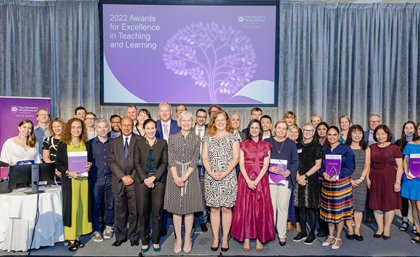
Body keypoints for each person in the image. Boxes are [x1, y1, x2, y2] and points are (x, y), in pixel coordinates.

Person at [231, 119, 275, 252]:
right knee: (246, 208)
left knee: (260, 208)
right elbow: (241, 164)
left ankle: (259, 238)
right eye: (252, 127)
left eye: (257, 127)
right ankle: (246, 237)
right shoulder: (243, 144)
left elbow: (266, 165)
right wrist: (249, 181)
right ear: (249, 130)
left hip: (261, 180)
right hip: (246, 179)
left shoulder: (266, 145)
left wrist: (256, 181)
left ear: (260, 130)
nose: (254, 130)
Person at [164, 111, 203, 254]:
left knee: (189, 209)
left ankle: (187, 238)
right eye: (183, 120)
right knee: (176, 209)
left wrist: (184, 177)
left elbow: (194, 160)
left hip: (190, 175)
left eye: (189, 120)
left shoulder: (197, 138)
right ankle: (178, 239)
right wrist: (176, 177)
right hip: (174, 174)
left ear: (192, 122)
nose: (186, 123)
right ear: (179, 122)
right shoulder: (172, 138)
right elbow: (171, 158)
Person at [202, 110, 240, 252]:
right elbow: (204, 158)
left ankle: (224, 238)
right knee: (214, 209)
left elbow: (236, 158)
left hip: (228, 177)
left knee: (226, 208)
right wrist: (211, 172)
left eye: (223, 119)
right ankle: (215, 238)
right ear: (213, 122)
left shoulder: (234, 136)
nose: (220, 122)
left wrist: (224, 173)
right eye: (217, 119)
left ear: (227, 121)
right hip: (211, 178)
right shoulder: (207, 137)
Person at [56, 118, 92, 251]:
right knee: (72, 209)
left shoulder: (86, 144)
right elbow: (58, 164)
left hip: (83, 181)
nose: (76, 130)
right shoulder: (63, 144)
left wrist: (90, 164)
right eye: (73, 127)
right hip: (70, 182)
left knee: (82, 208)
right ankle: (71, 238)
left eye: (79, 127)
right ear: (68, 129)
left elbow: (90, 160)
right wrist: (68, 172)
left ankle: (77, 237)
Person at [133, 118, 168, 253]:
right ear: (144, 129)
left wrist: (154, 177)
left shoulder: (163, 143)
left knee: (157, 212)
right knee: (142, 212)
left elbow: (165, 163)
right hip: (142, 181)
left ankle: (155, 240)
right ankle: (145, 240)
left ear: (156, 129)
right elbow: (136, 163)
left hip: (158, 181)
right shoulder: (138, 142)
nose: (151, 130)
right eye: (148, 128)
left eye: (153, 128)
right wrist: (145, 179)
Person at [108, 117, 142, 247]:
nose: (127, 127)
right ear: (120, 126)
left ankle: (133, 236)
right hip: (118, 181)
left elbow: (141, 161)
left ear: (133, 126)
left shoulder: (140, 140)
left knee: (134, 211)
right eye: (124, 125)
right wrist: (122, 176)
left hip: (134, 182)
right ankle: (120, 236)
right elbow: (111, 162)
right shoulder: (114, 142)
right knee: (120, 211)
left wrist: (131, 176)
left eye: (129, 125)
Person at [320, 126, 355, 250]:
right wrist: (323, 173)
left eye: (334, 134)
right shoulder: (325, 149)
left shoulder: (346, 149)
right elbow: (320, 166)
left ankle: (338, 237)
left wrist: (338, 175)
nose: (331, 137)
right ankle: (330, 236)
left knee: (339, 213)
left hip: (341, 185)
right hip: (327, 185)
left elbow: (350, 167)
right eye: (329, 134)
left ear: (338, 135)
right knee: (329, 212)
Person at [265, 120, 299, 246]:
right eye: (279, 128)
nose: (281, 130)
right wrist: (268, 167)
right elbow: (262, 159)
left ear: (287, 131)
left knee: (283, 207)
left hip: (285, 179)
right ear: (274, 129)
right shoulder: (268, 142)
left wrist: (290, 171)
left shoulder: (291, 143)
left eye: (284, 128)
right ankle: (270, 232)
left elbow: (295, 161)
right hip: (270, 179)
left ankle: (282, 234)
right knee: (271, 207)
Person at [368, 124, 402, 240]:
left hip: (390, 179)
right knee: (376, 203)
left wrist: (397, 182)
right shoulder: (371, 147)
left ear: (388, 134)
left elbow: (400, 166)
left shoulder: (395, 148)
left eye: (383, 133)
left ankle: (387, 228)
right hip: (375, 179)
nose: (380, 136)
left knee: (389, 204)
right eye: (378, 134)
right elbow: (368, 165)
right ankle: (380, 227)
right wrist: (367, 178)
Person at [293, 123, 323, 245]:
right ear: (302, 131)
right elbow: (293, 162)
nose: (308, 132)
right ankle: (303, 232)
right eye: (305, 130)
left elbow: (318, 165)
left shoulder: (317, 146)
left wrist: (304, 176)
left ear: (313, 132)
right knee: (301, 206)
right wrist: (297, 177)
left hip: (311, 181)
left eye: (311, 131)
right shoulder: (297, 145)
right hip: (298, 178)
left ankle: (312, 235)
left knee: (311, 208)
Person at [88, 118, 114, 242]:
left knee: (110, 205)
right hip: (96, 180)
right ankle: (96, 230)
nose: (102, 129)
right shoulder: (90, 144)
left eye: (105, 127)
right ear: (96, 128)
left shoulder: (114, 143)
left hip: (111, 179)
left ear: (108, 128)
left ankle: (108, 227)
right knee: (96, 205)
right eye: (100, 127)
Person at [344, 125, 370, 241]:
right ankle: (349, 229)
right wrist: (349, 180)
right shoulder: (344, 148)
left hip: (361, 181)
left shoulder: (366, 148)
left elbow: (367, 165)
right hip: (346, 180)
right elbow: (342, 166)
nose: (357, 135)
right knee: (347, 207)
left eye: (359, 133)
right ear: (350, 134)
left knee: (359, 207)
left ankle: (357, 230)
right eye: (354, 133)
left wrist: (361, 178)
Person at [395, 121, 418, 232]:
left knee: (415, 201)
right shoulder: (398, 143)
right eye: (406, 128)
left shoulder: (416, 143)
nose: (408, 130)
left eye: (411, 128)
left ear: (415, 130)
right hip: (404, 175)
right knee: (404, 199)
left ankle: (415, 223)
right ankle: (405, 220)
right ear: (403, 130)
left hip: (416, 176)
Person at [401, 122, 420, 243]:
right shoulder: (410, 144)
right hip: (412, 178)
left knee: (419, 206)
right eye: (419, 129)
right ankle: (418, 231)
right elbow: (406, 161)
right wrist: (406, 172)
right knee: (413, 205)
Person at [194, 109, 209, 232]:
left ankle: (203, 221)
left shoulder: (210, 131)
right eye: (199, 116)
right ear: (196, 117)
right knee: (192, 195)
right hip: (191, 168)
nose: (201, 119)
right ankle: (192, 221)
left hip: (205, 167)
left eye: (204, 117)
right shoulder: (189, 130)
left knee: (203, 196)